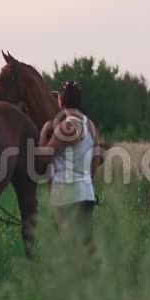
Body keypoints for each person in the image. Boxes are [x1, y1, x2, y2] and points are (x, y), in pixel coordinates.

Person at [38, 81, 101, 250]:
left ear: (60, 100)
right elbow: (95, 159)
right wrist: (88, 182)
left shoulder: (65, 126)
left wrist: (44, 132)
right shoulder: (91, 126)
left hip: (65, 195)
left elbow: (43, 158)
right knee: (86, 245)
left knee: (66, 246)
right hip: (86, 193)